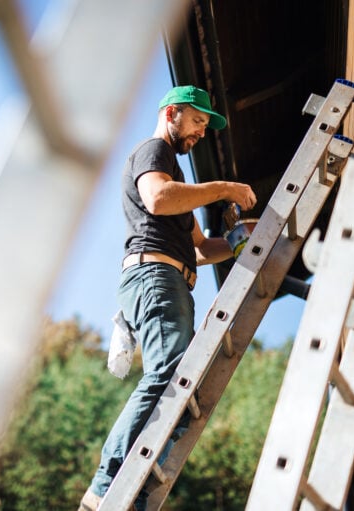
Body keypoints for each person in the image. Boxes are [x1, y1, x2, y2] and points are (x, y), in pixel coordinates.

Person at [78, 85, 256, 511]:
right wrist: (225, 188)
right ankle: (105, 488)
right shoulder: (154, 153)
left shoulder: (175, 182)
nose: (200, 132)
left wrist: (239, 241)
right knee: (171, 372)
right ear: (172, 112)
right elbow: (157, 199)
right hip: (154, 276)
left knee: (178, 381)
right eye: (197, 121)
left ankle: (128, 489)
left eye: (204, 127)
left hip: (170, 277)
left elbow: (198, 249)